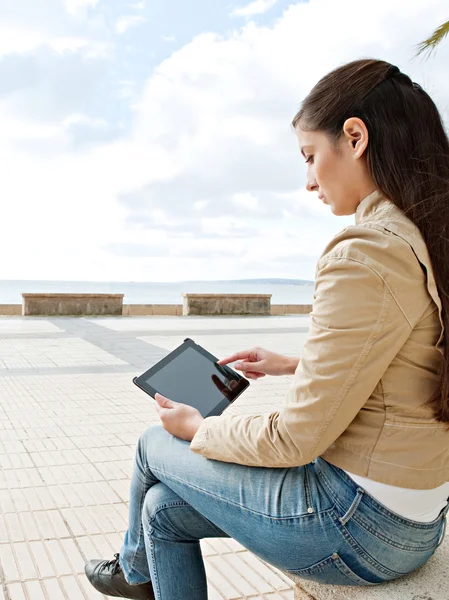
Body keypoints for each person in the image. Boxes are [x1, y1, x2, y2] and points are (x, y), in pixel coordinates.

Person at [85, 58, 449, 600]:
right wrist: (292, 364)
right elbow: (411, 352)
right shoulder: (427, 234)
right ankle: (139, 569)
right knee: (162, 511)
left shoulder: (365, 251)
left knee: (151, 443)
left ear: (354, 138)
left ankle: (133, 574)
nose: (307, 181)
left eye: (309, 157)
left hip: (358, 525)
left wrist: (196, 429)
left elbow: (296, 438)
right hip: (420, 514)